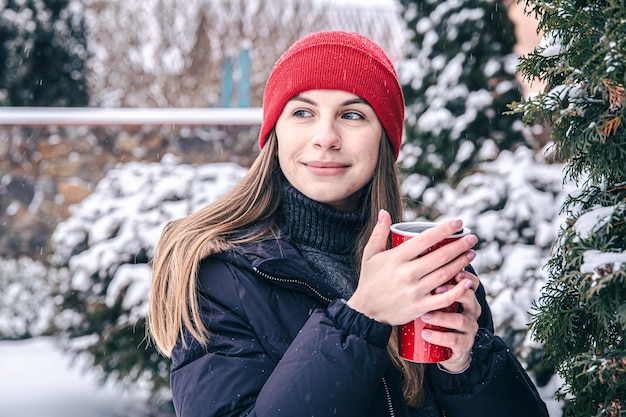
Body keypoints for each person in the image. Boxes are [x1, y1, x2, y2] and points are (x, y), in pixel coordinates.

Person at [148, 31, 549, 417]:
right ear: (275, 133)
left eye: (352, 114)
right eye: (303, 112)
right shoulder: (221, 276)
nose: (326, 137)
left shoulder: (423, 263)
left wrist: (466, 364)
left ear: (384, 140)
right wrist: (363, 317)